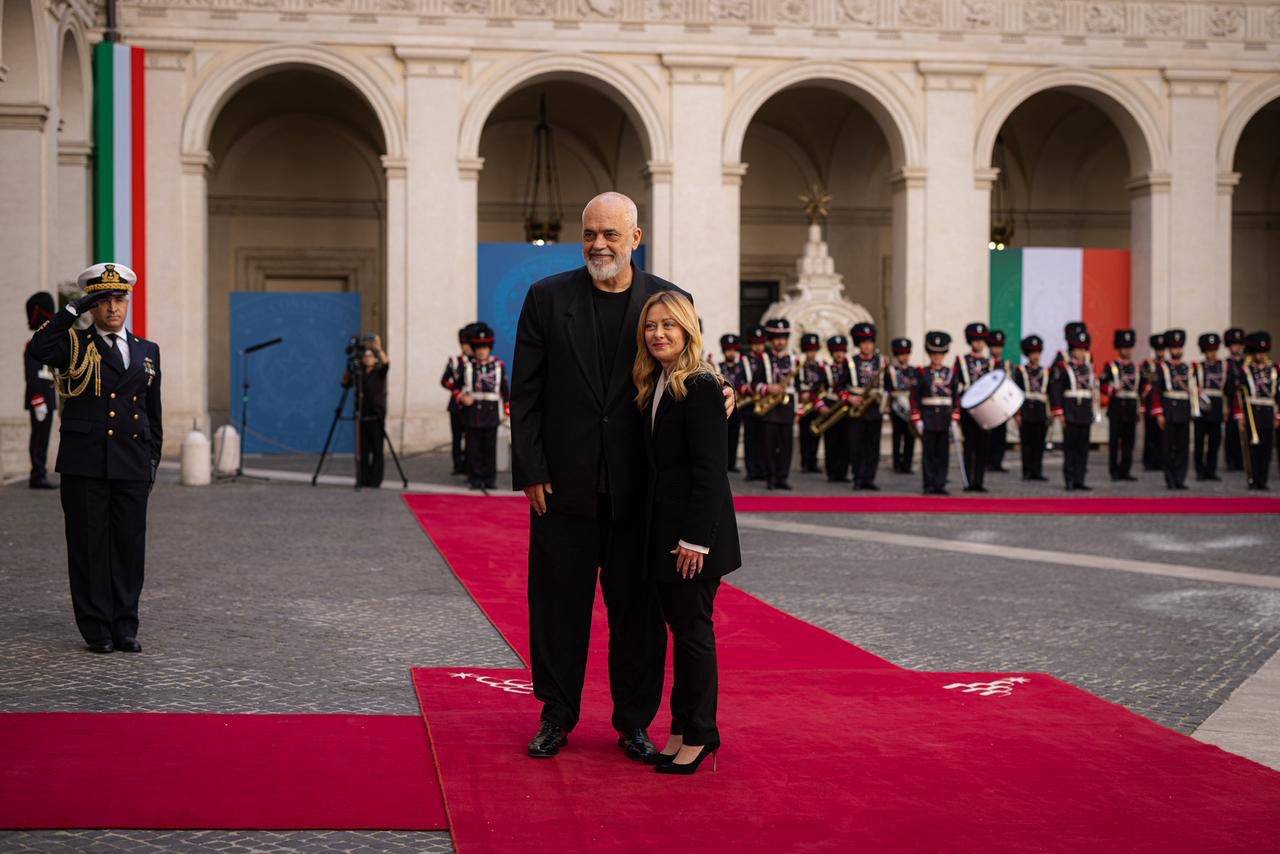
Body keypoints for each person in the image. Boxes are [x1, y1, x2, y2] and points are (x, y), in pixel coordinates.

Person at [509, 191, 731, 763]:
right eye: (590, 234)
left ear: (636, 237)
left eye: (611, 234)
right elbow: (526, 392)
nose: (599, 244)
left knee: (638, 614)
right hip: (562, 486)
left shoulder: (668, 300)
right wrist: (531, 468)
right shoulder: (546, 298)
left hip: (643, 493)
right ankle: (556, 715)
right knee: (558, 607)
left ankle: (634, 722)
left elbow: (691, 367)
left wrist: (724, 390)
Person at [27, 263, 161, 653]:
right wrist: (71, 310)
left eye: (119, 299)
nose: (113, 308)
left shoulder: (147, 350)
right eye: (103, 301)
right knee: (89, 547)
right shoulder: (73, 344)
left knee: (129, 547)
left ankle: (125, 625)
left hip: (131, 462)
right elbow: (38, 348)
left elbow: (153, 412)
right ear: (92, 305)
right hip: (85, 463)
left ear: (128, 303)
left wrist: (151, 461)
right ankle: (97, 627)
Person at [635, 291, 740, 776]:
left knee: (694, 633)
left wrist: (696, 539)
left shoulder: (700, 384)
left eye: (668, 325)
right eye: (651, 326)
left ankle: (701, 734)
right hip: (667, 532)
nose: (658, 334)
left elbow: (710, 470)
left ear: (687, 331)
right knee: (681, 630)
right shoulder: (658, 380)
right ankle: (680, 729)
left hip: (694, 539)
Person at [457, 323, 509, 490]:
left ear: (489, 348)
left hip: (491, 413)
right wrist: (462, 397)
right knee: (474, 448)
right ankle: (475, 479)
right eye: (478, 348)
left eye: (484, 348)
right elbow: (456, 387)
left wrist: (507, 412)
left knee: (489, 448)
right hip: (472, 413)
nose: (481, 351)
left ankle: (489, 479)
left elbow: (505, 391)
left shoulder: (498, 365)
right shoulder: (467, 366)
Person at [911, 331, 958, 495]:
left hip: (945, 418)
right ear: (929, 354)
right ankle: (929, 484)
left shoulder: (951, 373)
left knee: (943, 454)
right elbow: (914, 397)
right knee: (929, 454)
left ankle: (940, 484)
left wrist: (954, 419)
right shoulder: (921, 372)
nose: (937, 357)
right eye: (934, 353)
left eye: (940, 353)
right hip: (928, 418)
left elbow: (955, 397)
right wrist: (917, 418)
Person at [1050, 328, 1096, 490]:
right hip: (1070, 410)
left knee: (1083, 448)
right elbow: (1056, 389)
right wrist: (1059, 411)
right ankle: (1069, 479)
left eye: (1083, 349)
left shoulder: (1089, 367)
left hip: (1085, 411)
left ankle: (1080, 479)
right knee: (1070, 447)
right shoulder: (1064, 367)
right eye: (1077, 349)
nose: (1080, 353)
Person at [342, 335, 390, 488]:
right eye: (365, 356)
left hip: (376, 414)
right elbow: (345, 383)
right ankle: (363, 478)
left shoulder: (379, 372)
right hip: (362, 414)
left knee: (376, 448)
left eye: (370, 356)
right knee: (363, 449)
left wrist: (378, 349)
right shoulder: (359, 373)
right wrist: (349, 368)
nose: (367, 358)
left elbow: (386, 364)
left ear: (375, 360)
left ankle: (375, 480)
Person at [757, 318, 797, 490]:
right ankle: (770, 478)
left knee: (786, 445)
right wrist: (768, 388)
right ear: (771, 340)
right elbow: (755, 384)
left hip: (787, 407)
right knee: (769, 445)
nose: (780, 342)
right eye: (777, 338)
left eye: (783, 338)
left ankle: (783, 477)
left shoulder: (793, 359)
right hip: (770, 408)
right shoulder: (763, 358)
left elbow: (799, 385)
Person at [1151, 329, 1194, 490]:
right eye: (1175, 347)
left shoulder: (1188, 368)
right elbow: (1156, 391)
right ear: (1170, 349)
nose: (1177, 350)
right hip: (1169, 410)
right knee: (1167, 447)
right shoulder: (1162, 367)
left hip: (1183, 410)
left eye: (1180, 347)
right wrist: (1159, 413)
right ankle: (1170, 478)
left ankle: (1180, 478)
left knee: (1183, 447)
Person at [1233, 332, 1276, 490]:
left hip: (1268, 411)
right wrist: (1240, 415)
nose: (1260, 356)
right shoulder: (1245, 370)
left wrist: (1278, 415)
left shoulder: (1274, 370)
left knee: (1266, 448)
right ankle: (1253, 478)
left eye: (1262, 352)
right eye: (1257, 352)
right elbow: (1238, 394)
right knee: (1253, 448)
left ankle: (1263, 479)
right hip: (1252, 411)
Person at [24, 292, 58, 489]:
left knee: (43, 438)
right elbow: (32, 376)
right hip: (40, 399)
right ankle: (37, 474)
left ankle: (41, 472)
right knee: (38, 437)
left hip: (48, 396)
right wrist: (38, 400)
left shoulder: (49, 344)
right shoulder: (32, 345)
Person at [954, 322, 991, 492]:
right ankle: (968, 480)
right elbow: (955, 386)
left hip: (985, 409)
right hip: (967, 409)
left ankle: (979, 481)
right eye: (976, 340)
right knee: (968, 445)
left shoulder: (989, 362)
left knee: (982, 446)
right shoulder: (962, 361)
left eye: (982, 340)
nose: (979, 343)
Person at [1100, 329, 1140, 481]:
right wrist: (1113, 388)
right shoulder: (1111, 366)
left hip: (1131, 407)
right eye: (1124, 348)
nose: (1126, 351)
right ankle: (1114, 471)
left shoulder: (1136, 367)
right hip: (1117, 406)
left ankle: (1125, 470)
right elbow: (1102, 385)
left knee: (1129, 441)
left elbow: (1142, 387)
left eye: (1129, 348)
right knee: (1114, 442)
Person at [848, 322, 884, 491]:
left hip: (874, 408)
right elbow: (839, 387)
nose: (867, 346)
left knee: (873, 446)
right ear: (858, 344)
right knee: (857, 446)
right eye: (864, 343)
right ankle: (858, 477)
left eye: (870, 342)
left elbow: (888, 386)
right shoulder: (851, 362)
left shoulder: (880, 362)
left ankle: (870, 478)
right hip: (857, 409)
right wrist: (850, 398)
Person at [1012, 335, 1049, 481]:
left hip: (1040, 410)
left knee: (1039, 443)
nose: (1036, 356)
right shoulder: (1021, 370)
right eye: (1033, 353)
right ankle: (1027, 471)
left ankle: (1037, 471)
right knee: (1026, 443)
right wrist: (1017, 413)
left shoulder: (1045, 371)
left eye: (1038, 353)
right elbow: (1016, 392)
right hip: (1026, 409)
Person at [1193, 332, 1227, 482]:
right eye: (1209, 351)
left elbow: (1226, 390)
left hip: (1217, 406)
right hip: (1202, 406)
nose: (1212, 354)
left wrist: (1226, 407)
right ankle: (1199, 470)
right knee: (1199, 441)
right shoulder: (1198, 367)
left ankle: (1211, 470)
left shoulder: (1223, 366)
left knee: (1215, 441)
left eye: (1214, 350)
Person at [820, 335, 854, 482]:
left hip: (846, 406)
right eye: (836, 351)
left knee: (845, 440)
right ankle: (832, 472)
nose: (839, 354)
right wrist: (821, 405)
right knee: (831, 440)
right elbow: (817, 389)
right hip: (831, 404)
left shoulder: (851, 368)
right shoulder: (825, 369)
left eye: (841, 351)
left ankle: (843, 472)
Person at [441, 326, 474, 476]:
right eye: (463, 344)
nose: (466, 347)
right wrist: (456, 390)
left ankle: (468, 465)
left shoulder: (476, 362)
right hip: (455, 405)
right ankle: (457, 465)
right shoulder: (454, 361)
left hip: (471, 405)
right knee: (456, 437)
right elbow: (444, 381)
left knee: (470, 437)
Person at [795, 333, 826, 473]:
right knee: (804, 434)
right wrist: (802, 393)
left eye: (813, 350)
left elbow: (822, 384)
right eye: (809, 351)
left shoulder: (820, 367)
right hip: (803, 404)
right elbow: (796, 383)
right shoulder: (799, 366)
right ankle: (805, 462)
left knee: (815, 433)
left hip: (815, 404)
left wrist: (814, 396)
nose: (811, 354)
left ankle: (813, 461)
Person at [740, 325, 768, 482]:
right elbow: (738, 379)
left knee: (765, 438)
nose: (758, 346)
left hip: (765, 403)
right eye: (755, 343)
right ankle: (751, 470)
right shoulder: (744, 360)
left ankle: (763, 469)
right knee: (750, 438)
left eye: (761, 343)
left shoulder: (768, 359)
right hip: (749, 403)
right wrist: (746, 388)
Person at [886, 337, 917, 474]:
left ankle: (907, 464)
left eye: (906, 353)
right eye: (901, 354)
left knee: (910, 435)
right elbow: (887, 390)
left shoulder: (914, 370)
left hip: (910, 404)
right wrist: (887, 406)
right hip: (896, 406)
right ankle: (897, 463)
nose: (904, 357)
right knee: (897, 436)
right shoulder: (891, 370)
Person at [718, 333, 747, 473]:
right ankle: (722, 463)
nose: (731, 352)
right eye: (728, 350)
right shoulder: (719, 366)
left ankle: (732, 463)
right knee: (722, 435)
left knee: (735, 435)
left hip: (739, 406)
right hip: (723, 405)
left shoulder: (742, 367)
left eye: (733, 350)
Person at [1141, 333, 1167, 471]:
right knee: (1150, 434)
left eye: (1162, 349)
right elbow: (1146, 382)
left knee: (1163, 435)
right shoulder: (1148, 364)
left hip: (1165, 403)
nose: (1160, 352)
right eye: (1158, 349)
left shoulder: (1167, 365)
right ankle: (1149, 461)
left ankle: (1162, 460)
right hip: (1150, 403)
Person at [986, 329, 1011, 472]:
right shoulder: (985, 363)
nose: (997, 349)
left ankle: (997, 462)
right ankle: (987, 461)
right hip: (988, 404)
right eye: (994, 346)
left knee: (1000, 434)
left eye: (999, 346)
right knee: (987, 435)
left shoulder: (1007, 364)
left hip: (1001, 404)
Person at [1223, 327, 1247, 471]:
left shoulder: (1246, 363)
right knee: (1231, 432)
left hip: (1245, 402)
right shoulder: (1226, 364)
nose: (1237, 348)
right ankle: (1231, 460)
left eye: (1239, 344)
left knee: (1244, 432)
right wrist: (1225, 406)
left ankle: (1243, 460)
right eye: (1234, 344)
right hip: (1231, 400)